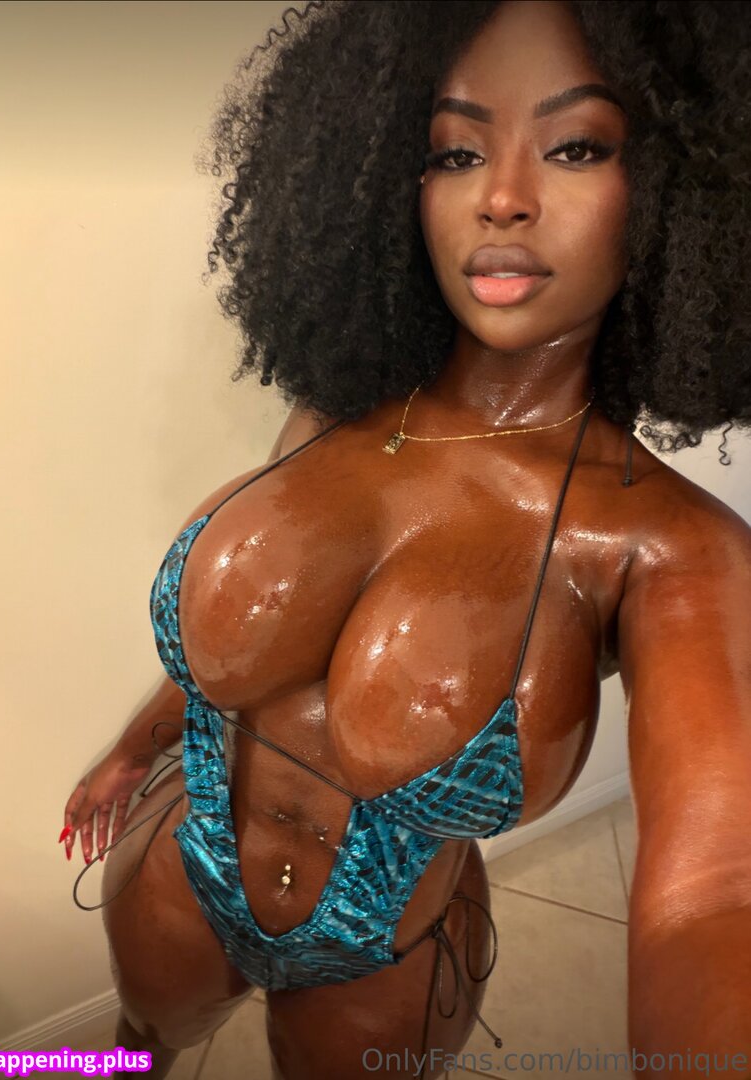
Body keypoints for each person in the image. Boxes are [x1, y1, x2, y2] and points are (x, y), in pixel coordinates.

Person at [61, 2, 751, 1077]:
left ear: (678, 189)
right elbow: (242, 667)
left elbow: (716, 890)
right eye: (455, 152)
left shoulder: (667, 546)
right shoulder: (332, 409)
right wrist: (130, 751)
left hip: (387, 954)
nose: (502, 197)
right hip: (178, 871)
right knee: (131, 1054)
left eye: (576, 147)